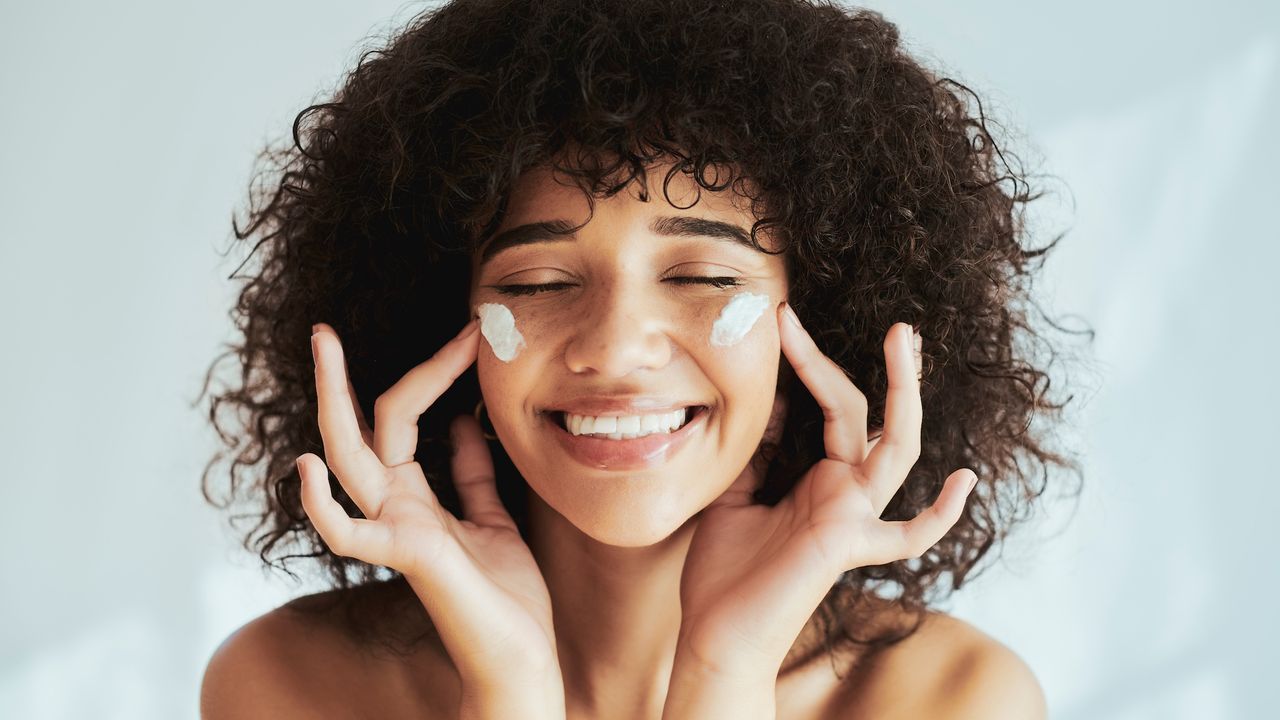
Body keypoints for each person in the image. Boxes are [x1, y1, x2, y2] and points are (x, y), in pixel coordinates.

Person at [198, 0, 1084, 717]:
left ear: (821, 323)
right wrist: (507, 694)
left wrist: (723, 677)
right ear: (444, 327)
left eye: (700, 273)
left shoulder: (950, 701)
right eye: (540, 282)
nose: (617, 347)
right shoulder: (292, 687)